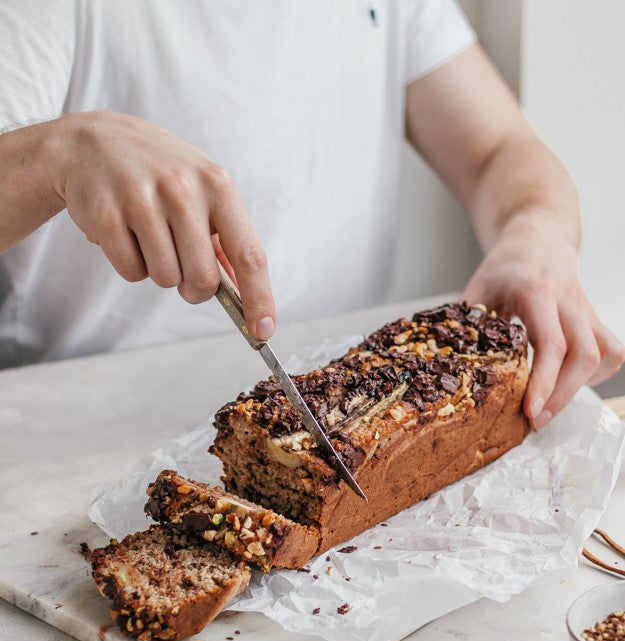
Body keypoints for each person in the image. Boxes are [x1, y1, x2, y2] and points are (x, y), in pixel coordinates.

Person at [1, 0, 623, 431]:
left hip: (344, 403)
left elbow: (499, 152)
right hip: (71, 431)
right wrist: (59, 151)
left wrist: (535, 233)